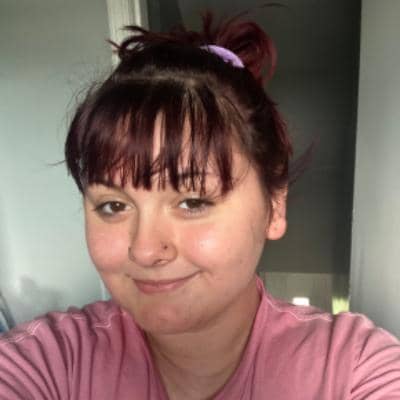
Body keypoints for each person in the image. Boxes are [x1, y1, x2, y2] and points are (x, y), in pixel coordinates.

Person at [1, 12, 400, 400]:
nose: (145, 250)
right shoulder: (51, 362)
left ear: (275, 206)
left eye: (192, 201)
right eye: (113, 206)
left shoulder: (352, 369)